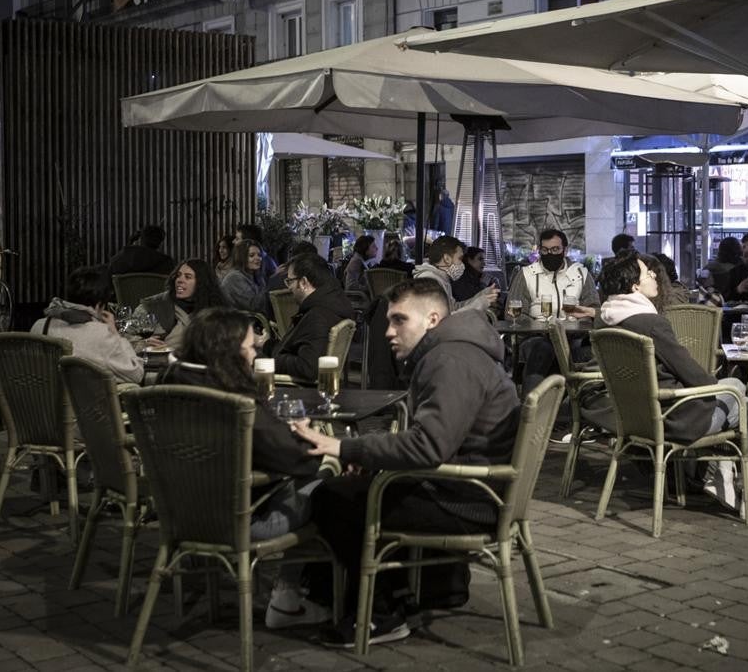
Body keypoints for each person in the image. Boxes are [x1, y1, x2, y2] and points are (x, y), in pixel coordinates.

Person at [290, 278, 521, 646]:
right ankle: (394, 597)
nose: (387, 332)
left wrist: (345, 448)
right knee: (352, 487)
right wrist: (372, 458)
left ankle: (378, 615)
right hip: (474, 487)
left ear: (432, 319)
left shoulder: (450, 359)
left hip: (468, 500)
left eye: (399, 321)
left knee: (333, 498)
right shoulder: (454, 350)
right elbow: (434, 442)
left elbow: (429, 446)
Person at [161, 307, 336, 629]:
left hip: (179, 514)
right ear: (227, 352)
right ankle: (289, 598)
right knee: (331, 482)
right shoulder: (236, 403)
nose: (257, 353)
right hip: (242, 521)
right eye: (251, 347)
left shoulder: (168, 385)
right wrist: (300, 433)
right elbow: (296, 461)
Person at [597, 252, 748, 517]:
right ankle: (745, 492)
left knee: (735, 396)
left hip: (634, 419)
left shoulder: (606, 320)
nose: (653, 275)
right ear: (634, 286)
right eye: (646, 272)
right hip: (675, 419)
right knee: (744, 399)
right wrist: (716, 384)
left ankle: (720, 473)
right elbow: (696, 377)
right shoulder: (651, 324)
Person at [505, 229, 598, 393]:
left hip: (573, 339)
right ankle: (532, 409)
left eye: (555, 250)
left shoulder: (580, 274)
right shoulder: (526, 275)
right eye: (545, 250)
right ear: (539, 250)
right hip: (535, 338)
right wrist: (540, 329)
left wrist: (577, 328)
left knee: (582, 353)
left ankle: (567, 407)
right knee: (544, 349)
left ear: (565, 250)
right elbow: (513, 314)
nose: (550, 254)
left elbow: (593, 309)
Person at [31, 266, 144, 384]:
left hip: (43, 399)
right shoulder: (102, 333)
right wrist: (115, 333)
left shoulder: (39, 326)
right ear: (99, 305)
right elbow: (136, 374)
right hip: (85, 401)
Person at [271, 253, 358, 383]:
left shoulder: (317, 316)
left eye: (290, 281)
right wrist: (268, 345)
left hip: (298, 391)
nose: (288, 287)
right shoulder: (334, 303)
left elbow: (308, 367)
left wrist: (267, 361)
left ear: (304, 282)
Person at [137, 259, 227, 351]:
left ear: (201, 283)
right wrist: (142, 342)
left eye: (188, 277)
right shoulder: (154, 304)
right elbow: (126, 337)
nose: (180, 280)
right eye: (178, 275)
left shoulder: (213, 308)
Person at [413, 236, 497, 313]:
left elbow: (454, 308)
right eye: (460, 259)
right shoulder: (429, 282)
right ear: (447, 259)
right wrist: (478, 305)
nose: (462, 264)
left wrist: (482, 295)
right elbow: (443, 320)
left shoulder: (442, 279)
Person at [107, 225, 175, 276]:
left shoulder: (117, 260)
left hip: (125, 295)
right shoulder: (167, 263)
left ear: (140, 240)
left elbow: (110, 286)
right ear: (160, 244)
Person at [221, 239, 266, 311]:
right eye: (251, 255)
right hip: (239, 320)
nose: (258, 258)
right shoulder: (234, 277)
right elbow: (253, 305)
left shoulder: (257, 275)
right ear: (241, 257)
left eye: (259, 255)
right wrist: (272, 285)